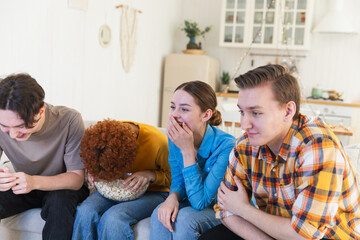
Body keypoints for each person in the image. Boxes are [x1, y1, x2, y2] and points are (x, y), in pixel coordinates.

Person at [200, 64, 360, 240]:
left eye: (256, 113)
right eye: (242, 112)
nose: (244, 124)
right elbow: (225, 210)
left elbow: (304, 234)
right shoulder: (245, 146)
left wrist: (244, 209)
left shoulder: (317, 146)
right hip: (277, 231)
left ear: (288, 111)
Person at [0, 73, 89, 240]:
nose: (12, 134)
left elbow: (76, 179)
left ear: (41, 111)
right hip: (22, 185)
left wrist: (34, 182)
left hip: (63, 187)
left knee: (59, 204)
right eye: (4, 126)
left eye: (21, 126)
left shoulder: (69, 120)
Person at [150, 81, 236, 240]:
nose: (175, 114)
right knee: (159, 214)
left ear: (206, 115)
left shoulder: (227, 146)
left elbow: (200, 202)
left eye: (184, 109)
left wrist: (188, 151)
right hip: (196, 204)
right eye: (172, 107)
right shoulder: (175, 136)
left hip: (223, 210)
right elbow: (178, 180)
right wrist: (172, 198)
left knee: (185, 219)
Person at [72, 119, 171, 240]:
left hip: (155, 192)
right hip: (118, 188)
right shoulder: (104, 138)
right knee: (85, 212)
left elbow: (176, 179)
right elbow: (99, 161)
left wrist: (151, 175)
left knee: (113, 218)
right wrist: (94, 171)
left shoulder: (158, 142)